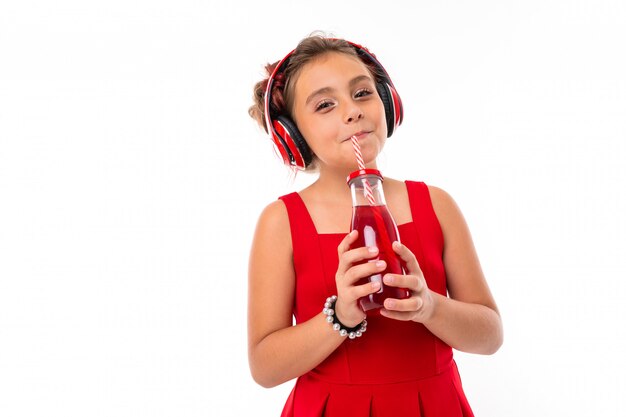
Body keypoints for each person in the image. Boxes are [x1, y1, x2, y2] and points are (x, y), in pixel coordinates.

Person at [247, 34, 503, 417]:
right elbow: (265, 368)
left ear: (388, 103)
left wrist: (430, 307)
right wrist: (341, 317)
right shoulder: (280, 221)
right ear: (293, 136)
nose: (352, 111)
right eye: (325, 105)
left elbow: (490, 336)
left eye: (363, 93)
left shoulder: (437, 205)